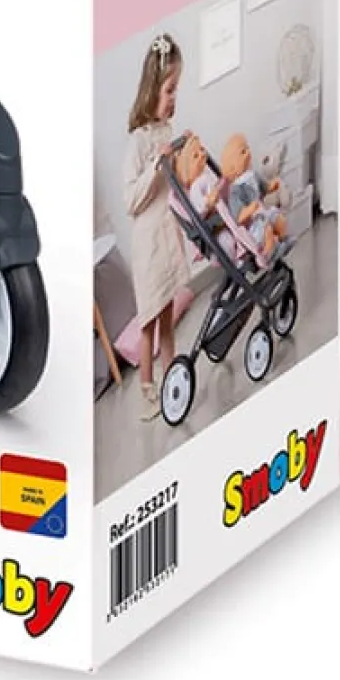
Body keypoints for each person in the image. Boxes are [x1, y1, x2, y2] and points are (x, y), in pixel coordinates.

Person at [121, 33, 191, 419]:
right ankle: (146, 388)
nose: (173, 98)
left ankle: (171, 377)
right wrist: (156, 164)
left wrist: (182, 153)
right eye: (169, 90)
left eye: (176, 89)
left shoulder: (165, 131)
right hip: (148, 243)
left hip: (166, 236)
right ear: (152, 90)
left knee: (167, 314)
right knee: (149, 319)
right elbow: (131, 200)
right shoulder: (139, 141)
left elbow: (172, 181)